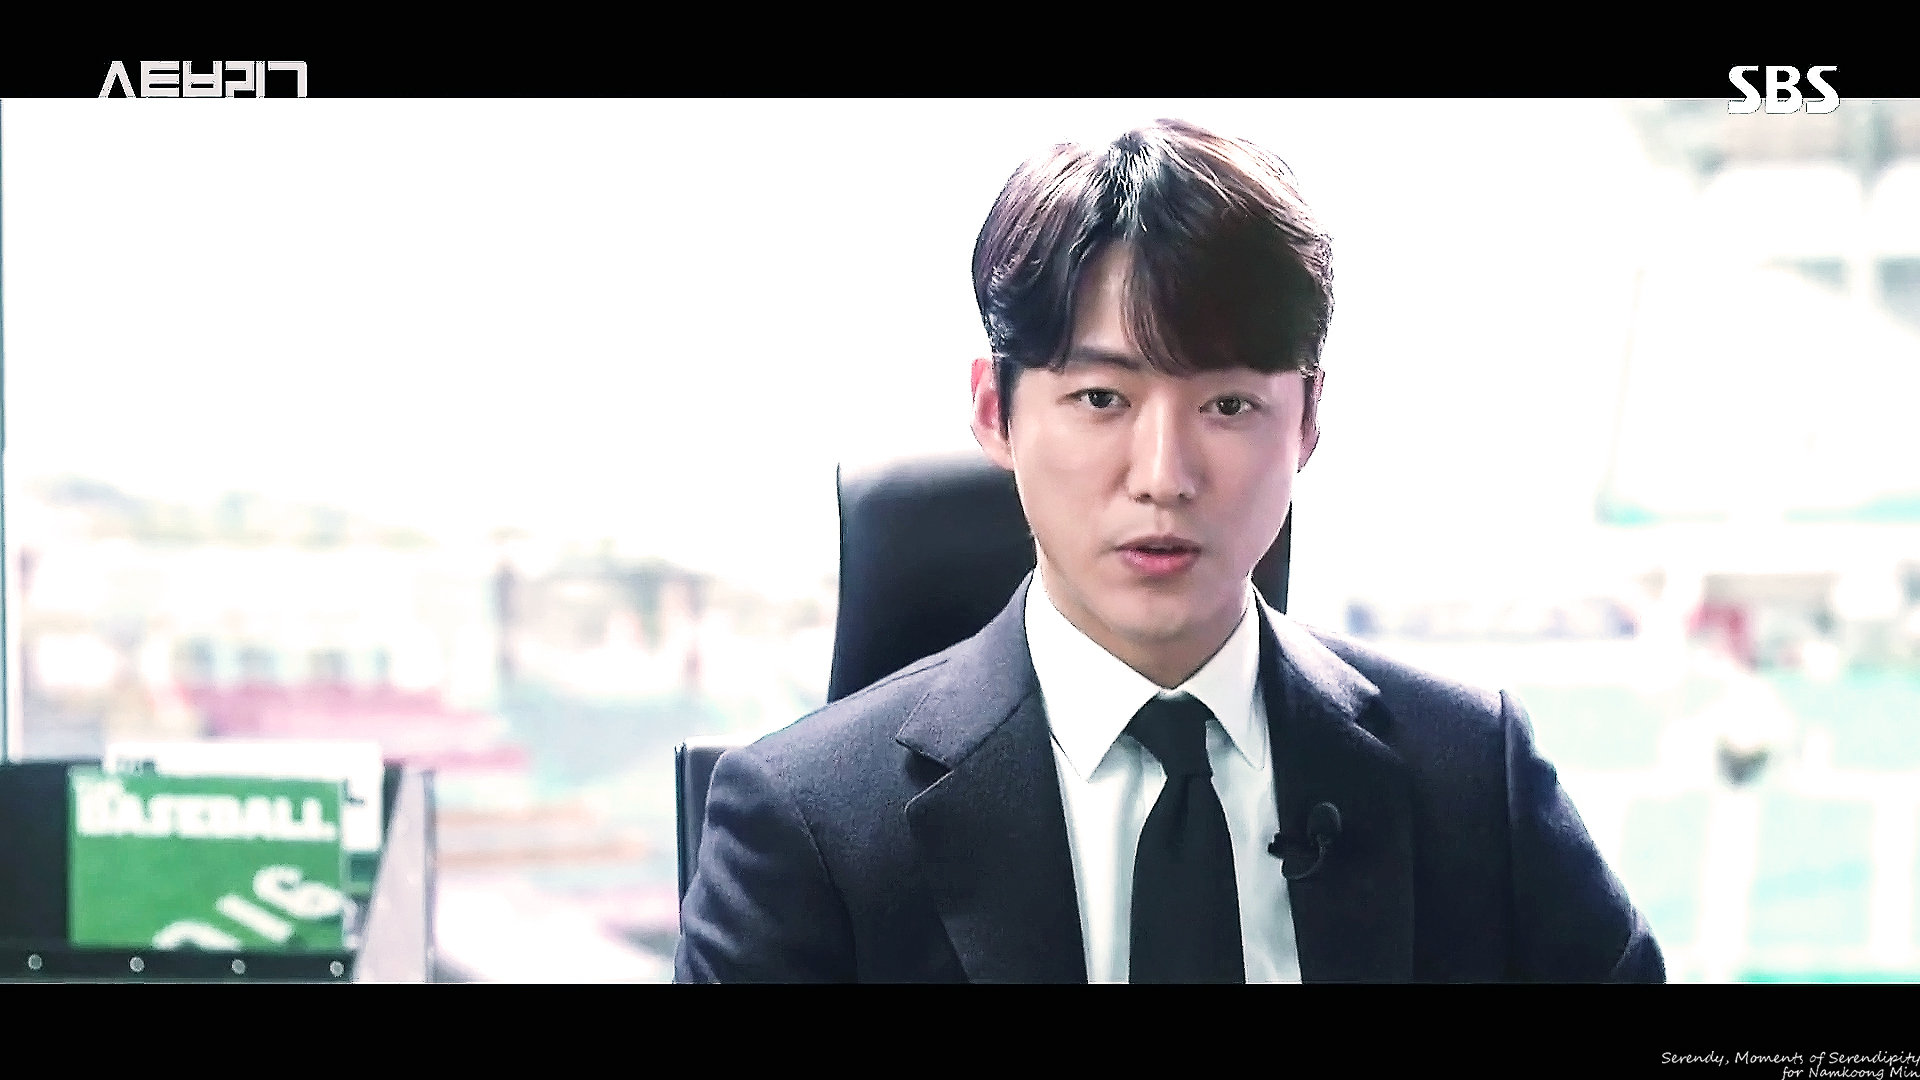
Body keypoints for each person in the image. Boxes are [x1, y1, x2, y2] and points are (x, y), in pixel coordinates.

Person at [674, 118, 1664, 983]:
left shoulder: (1471, 774)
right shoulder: (804, 825)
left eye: (1227, 404)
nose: (1164, 475)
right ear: (994, 411)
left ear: (1307, 420)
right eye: (1101, 398)